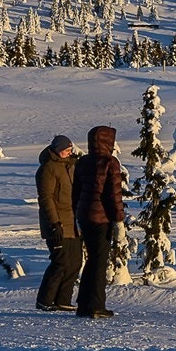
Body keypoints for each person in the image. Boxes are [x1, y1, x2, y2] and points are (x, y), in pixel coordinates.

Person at [70, 124, 125, 319]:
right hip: (101, 218)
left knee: (92, 259)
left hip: (84, 216)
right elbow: (113, 195)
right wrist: (118, 220)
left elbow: (75, 192)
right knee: (99, 262)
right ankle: (95, 305)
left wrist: (76, 213)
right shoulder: (110, 162)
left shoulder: (83, 161)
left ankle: (84, 304)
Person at [35, 135, 81, 311]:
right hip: (57, 223)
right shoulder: (48, 168)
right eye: (65, 150)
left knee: (75, 262)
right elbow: (46, 198)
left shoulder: (71, 166)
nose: (68, 152)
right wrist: (54, 223)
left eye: (69, 149)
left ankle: (63, 299)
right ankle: (45, 301)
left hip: (73, 224)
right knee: (60, 262)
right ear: (56, 150)